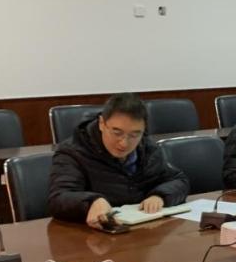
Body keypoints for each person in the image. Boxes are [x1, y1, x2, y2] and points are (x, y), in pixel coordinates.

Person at [49, 93, 190, 228]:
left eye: (134, 135)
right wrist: (91, 202)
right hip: (94, 235)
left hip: (142, 230)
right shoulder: (73, 152)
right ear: (102, 123)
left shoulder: (148, 149)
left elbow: (178, 180)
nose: (124, 143)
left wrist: (160, 196)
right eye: (117, 133)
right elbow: (58, 198)